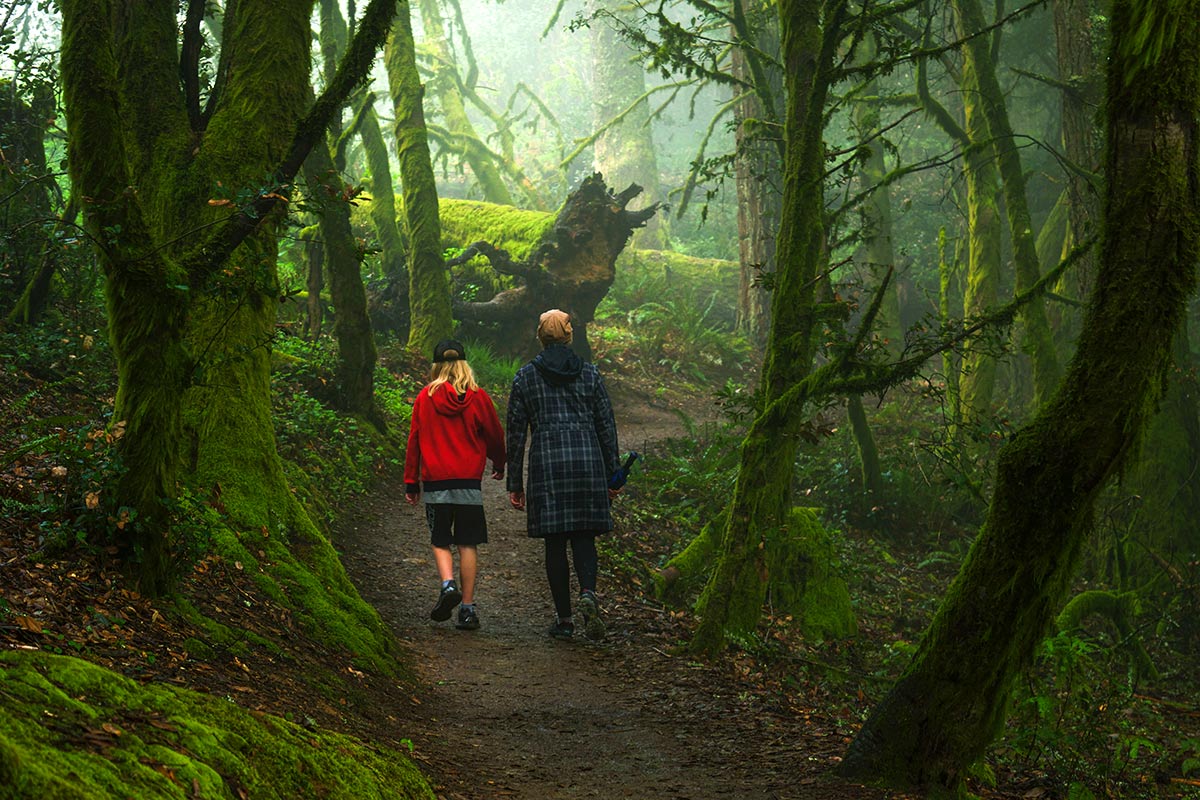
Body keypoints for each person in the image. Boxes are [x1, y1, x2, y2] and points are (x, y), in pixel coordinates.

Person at [506, 309, 620, 640]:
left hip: (548, 465)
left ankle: (565, 620)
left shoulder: (525, 377)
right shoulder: (590, 374)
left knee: (555, 543)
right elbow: (606, 426)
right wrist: (613, 474)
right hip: (587, 462)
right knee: (584, 536)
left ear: (541, 338)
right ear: (569, 336)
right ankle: (587, 593)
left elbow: (515, 434)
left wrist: (516, 483)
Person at [405, 339, 506, 631]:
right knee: (467, 542)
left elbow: (415, 441)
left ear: (436, 366)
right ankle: (468, 609)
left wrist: (412, 482)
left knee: (440, 539)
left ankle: (448, 584)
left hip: (437, 480)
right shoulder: (478, 397)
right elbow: (495, 435)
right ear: (464, 364)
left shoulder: (425, 397)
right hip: (468, 482)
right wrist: (499, 462)